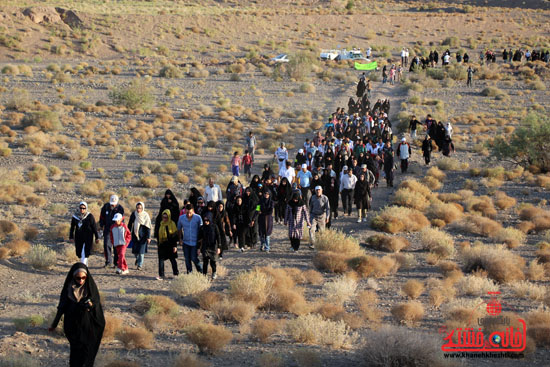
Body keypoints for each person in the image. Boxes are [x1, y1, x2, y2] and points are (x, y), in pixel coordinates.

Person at [49, 263, 105, 367]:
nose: (81, 281)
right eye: (78, 278)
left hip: (89, 328)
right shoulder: (68, 289)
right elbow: (61, 307)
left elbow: (96, 304)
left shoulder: (90, 288)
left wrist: (91, 305)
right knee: (76, 352)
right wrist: (54, 324)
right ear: (73, 277)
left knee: (88, 353)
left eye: (83, 278)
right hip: (73, 327)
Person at [69, 201, 99, 266]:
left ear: (86, 208)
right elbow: (72, 227)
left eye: (84, 208)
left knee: (86, 251)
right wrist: (71, 237)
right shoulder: (75, 217)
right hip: (78, 237)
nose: (82, 209)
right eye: (81, 208)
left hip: (88, 236)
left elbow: (94, 227)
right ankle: (85, 263)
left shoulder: (89, 216)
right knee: (79, 252)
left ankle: (83, 265)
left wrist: (97, 237)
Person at [99, 195, 124, 268]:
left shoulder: (120, 208)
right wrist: (101, 225)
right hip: (107, 229)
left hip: (116, 230)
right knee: (106, 245)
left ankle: (116, 263)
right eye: (111, 203)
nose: (112, 205)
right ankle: (108, 262)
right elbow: (102, 217)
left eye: (114, 203)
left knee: (116, 247)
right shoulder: (106, 207)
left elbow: (122, 219)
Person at [178, 204, 203, 273]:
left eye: (190, 213)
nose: (188, 214)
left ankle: (201, 271)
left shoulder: (198, 218)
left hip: (195, 242)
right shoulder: (181, 218)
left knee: (194, 258)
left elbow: (201, 230)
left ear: (193, 211)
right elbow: (179, 229)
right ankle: (189, 272)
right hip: (185, 242)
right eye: (187, 213)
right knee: (187, 259)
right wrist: (180, 239)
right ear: (185, 211)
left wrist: (200, 243)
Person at [127, 202, 151, 271]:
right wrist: (128, 232)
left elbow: (148, 227)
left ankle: (140, 265)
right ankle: (137, 259)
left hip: (143, 236)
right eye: (137, 208)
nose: (138, 209)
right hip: (135, 235)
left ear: (142, 208)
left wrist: (148, 237)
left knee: (141, 252)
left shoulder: (145, 215)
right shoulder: (134, 214)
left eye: (140, 208)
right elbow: (130, 224)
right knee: (135, 251)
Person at [156, 209, 179, 280]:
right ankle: (161, 275)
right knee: (161, 260)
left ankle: (176, 274)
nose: (164, 219)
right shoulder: (161, 224)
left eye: (166, 217)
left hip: (170, 244)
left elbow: (175, 236)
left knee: (172, 259)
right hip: (162, 245)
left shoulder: (172, 224)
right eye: (163, 217)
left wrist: (175, 246)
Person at [198, 212, 220, 280]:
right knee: (205, 262)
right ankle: (204, 275)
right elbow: (199, 238)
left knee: (213, 262)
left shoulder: (214, 226)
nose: (206, 222)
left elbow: (218, 237)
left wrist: (219, 247)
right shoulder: (202, 228)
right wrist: (198, 248)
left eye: (207, 220)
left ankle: (214, 272)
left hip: (213, 247)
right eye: (204, 221)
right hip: (205, 247)